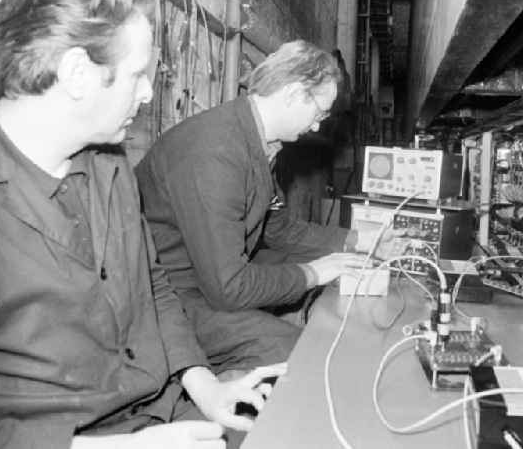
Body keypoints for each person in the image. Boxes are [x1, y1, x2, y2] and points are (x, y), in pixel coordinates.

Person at [0, 0, 282, 449]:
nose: (149, 93)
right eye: (137, 74)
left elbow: (153, 284)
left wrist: (204, 383)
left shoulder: (108, 161)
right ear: (77, 73)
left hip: (160, 412)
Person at [135, 40, 396, 371]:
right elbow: (228, 289)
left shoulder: (259, 141)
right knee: (297, 356)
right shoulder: (216, 151)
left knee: (313, 280)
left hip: (207, 276)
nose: (317, 126)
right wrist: (313, 273)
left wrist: (359, 241)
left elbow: (276, 226)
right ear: (293, 94)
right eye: (318, 113)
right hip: (170, 295)